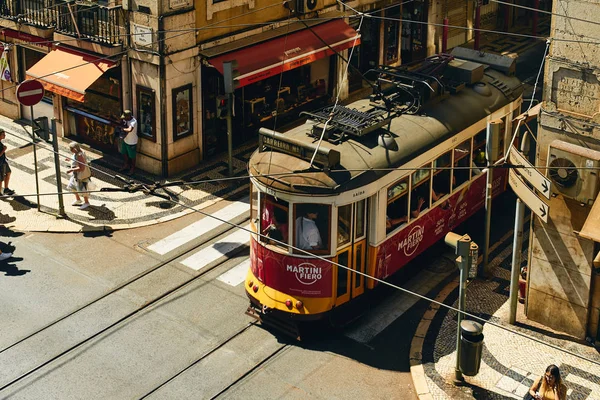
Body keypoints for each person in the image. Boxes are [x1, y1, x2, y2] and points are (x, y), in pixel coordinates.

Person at [65, 142, 92, 210]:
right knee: (72, 186)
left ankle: (86, 202)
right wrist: (70, 159)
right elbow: (76, 159)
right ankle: (78, 199)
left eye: (71, 149)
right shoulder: (78, 152)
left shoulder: (79, 155)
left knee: (83, 189)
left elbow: (82, 168)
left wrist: (71, 170)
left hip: (81, 176)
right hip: (76, 175)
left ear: (74, 149)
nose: (70, 150)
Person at [119, 110, 138, 175]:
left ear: (128, 117)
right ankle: (126, 165)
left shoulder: (133, 122)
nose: (124, 118)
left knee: (132, 157)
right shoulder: (126, 120)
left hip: (132, 142)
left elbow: (130, 129)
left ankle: (132, 169)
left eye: (125, 117)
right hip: (125, 140)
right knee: (123, 152)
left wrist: (122, 129)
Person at [0, 129, 14, 196]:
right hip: (1, 163)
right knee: (1, 178)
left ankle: (6, 189)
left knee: (8, 172)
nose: (5, 135)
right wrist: (4, 149)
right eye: (3, 134)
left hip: (3, 161)